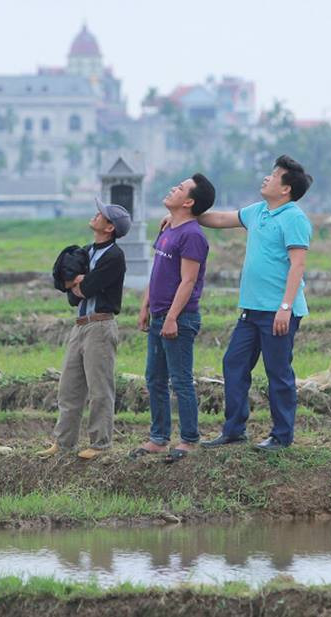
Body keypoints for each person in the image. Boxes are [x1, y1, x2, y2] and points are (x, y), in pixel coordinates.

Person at [180, 155, 313, 452]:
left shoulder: (294, 218)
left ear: (286, 189)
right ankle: (234, 431)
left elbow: (297, 266)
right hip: (251, 310)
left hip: (278, 311)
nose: (267, 177)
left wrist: (285, 307)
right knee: (234, 364)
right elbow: (218, 219)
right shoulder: (258, 212)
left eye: (275, 175)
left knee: (278, 372)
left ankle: (281, 436)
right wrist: (183, 215)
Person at [37, 197, 130, 460]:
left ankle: (101, 444)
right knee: (69, 388)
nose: (96, 215)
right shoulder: (86, 251)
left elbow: (85, 288)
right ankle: (63, 442)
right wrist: (77, 283)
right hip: (80, 326)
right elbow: (71, 294)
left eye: (101, 214)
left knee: (100, 388)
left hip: (100, 325)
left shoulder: (114, 256)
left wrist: (78, 282)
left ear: (110, 227)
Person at [131, 173, 215, 462]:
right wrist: (146, 306)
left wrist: (171, 318)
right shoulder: (168, 229)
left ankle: (190, 439)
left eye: (179, 188)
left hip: (179, 318)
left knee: (180, 380)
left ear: (189, 202)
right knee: (154, 378)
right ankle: (159, 438)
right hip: (159, 314)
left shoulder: (192, 236)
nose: (172, 189)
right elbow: (157, 273)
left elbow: (188, 281)